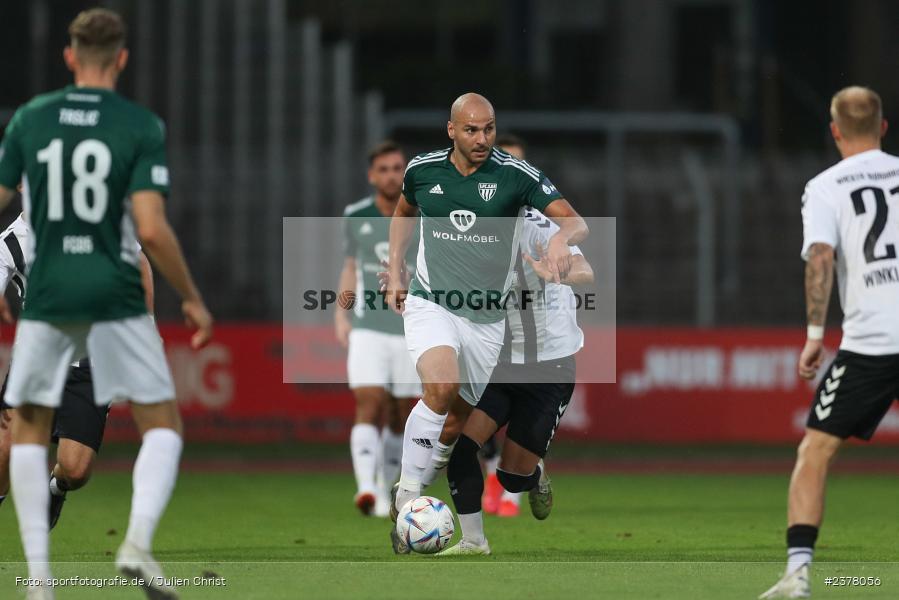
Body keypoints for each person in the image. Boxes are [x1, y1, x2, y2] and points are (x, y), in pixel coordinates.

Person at [0, 9, 213, 599]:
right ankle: (138, 543)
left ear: (68, 57)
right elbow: (151, 229)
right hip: (113, 296)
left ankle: (38, 580)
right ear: (121, 58)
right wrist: (191, 298)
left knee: (32, 436)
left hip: (50, 302)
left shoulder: (31, 121)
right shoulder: (139, 125)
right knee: (163, 430)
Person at [384, 92, 588, 553]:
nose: (482, 138)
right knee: (438, 388)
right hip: (432, 300)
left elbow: (575, 224)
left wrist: (562, 244)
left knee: (455, 427)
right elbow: (403, 212)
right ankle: (409, 498)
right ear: (451, 130)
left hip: (487, 322)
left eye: (489, 128)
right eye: (472, 130)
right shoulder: (422, 170)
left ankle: (429, 490)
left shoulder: (517, 177)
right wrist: (396, 267)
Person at [761, 86, 899, 599]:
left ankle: (798, 574)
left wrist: (815, 338)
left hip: (871, 344)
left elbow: (820, 258)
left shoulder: (825, 186)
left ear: (835, 130)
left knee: (815, 451)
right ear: (883, 127)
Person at [0, 214, 155, 530]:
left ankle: (55, 489)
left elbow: (137, 261)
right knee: (4, 448)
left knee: (76, 470)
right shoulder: (10, 242)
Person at [336, 141, 420, 517]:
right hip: (368, 327)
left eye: (397, 168)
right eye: (383, 169)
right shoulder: (356, 215)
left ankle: (386, 490)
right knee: (368, 403)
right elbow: (351, 267)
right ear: (372, 175)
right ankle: (366, 488)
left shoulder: (421, 215)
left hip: (410, 327)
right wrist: (342, 314)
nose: (391, 175)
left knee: (402, 411)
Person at [481, 132, 529, 517]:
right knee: (474, 408)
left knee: (524, 410)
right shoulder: (475, 219)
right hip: (483, 326)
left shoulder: (540, 220)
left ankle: (513, 489)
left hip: (526, 332)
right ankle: (492, 474)